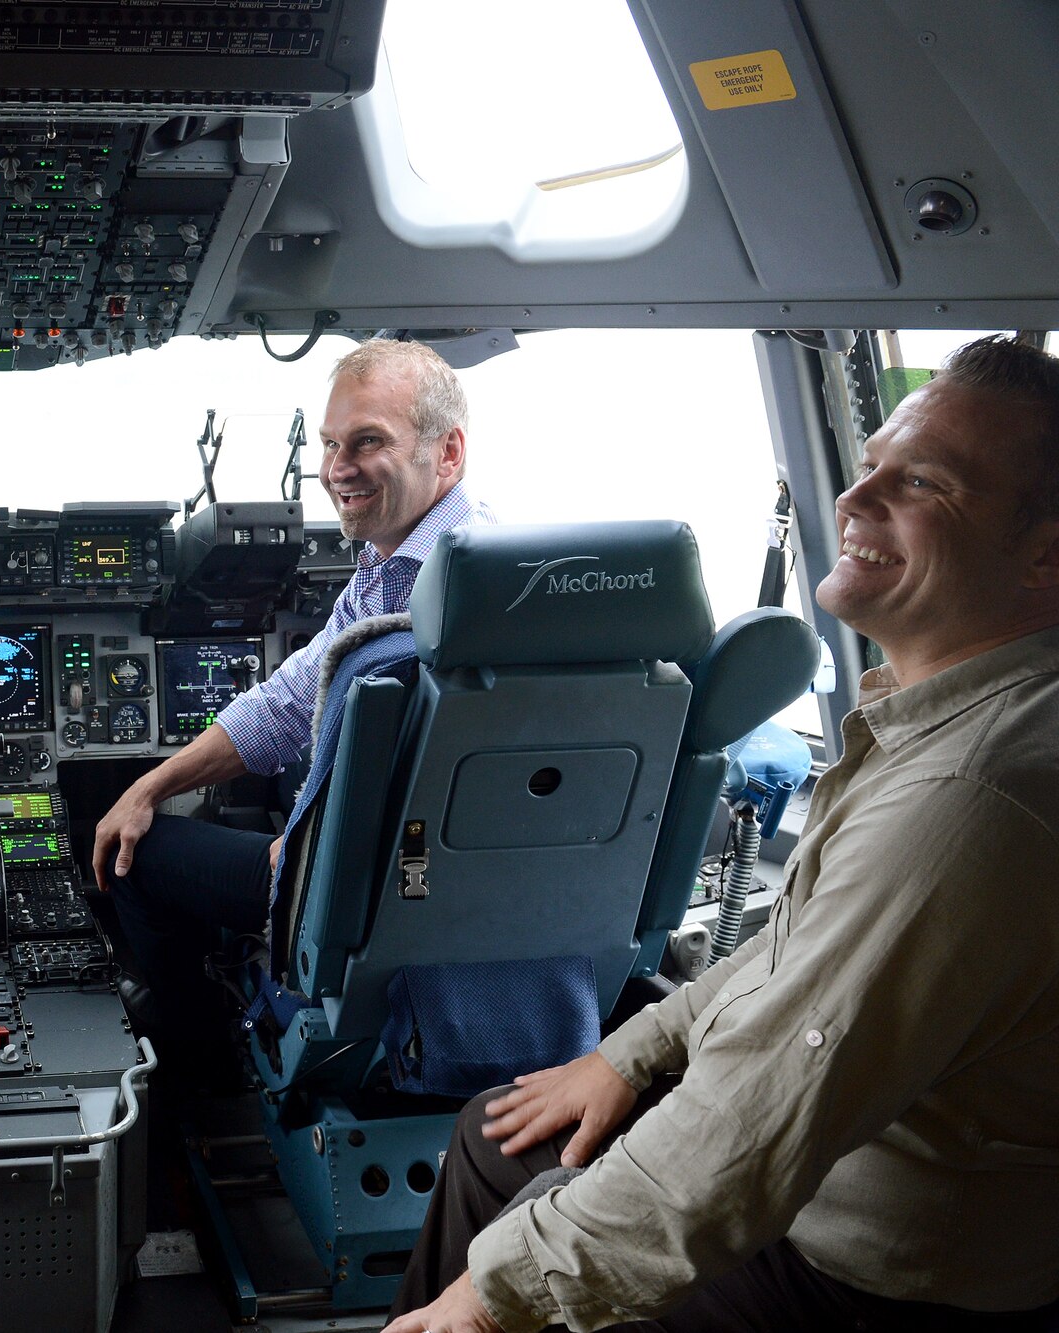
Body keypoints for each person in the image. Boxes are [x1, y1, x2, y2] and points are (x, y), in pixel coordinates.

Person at [388, 335, 1059, 1333]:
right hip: (854, 1182)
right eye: (868, 464)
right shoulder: (956, 722)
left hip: (881, 1274)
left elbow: (751, 1118)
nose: (854, 498)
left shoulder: (964, 797)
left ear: (1045, 553)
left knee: (534, 1222)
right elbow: (794, 952)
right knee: (499, 1135)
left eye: (922, 482)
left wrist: (482, 1302)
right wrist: (627, 1053)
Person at [91, 339, 493, 1070]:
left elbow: (415, 778)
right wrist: (153, 785)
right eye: (331, 444)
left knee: (135, 855)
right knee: (273, 784)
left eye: (368, 441)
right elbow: (286, 704)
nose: (338, 468)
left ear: (448, 452)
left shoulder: (436, 597)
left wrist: (305, 847)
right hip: (462, 882)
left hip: (371, 886)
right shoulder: (462, 565)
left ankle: (200, 1055)